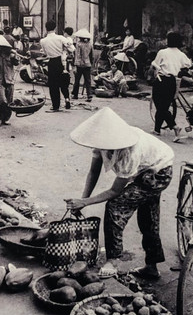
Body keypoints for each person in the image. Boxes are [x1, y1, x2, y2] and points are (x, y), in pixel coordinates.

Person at [65, 108, 174, 280]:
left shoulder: (129, 151)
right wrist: (83, 199)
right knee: (148, 217)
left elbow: (115, 191)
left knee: (116, 206)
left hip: (159, 173)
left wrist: (85, 203)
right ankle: (151, 267)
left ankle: (113, 259)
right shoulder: (102, 142)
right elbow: (94, 172)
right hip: (143, 168)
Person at [150, 31, 192, 142]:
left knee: (160, 106)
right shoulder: (181, 55)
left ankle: (175, 127)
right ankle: (157, 129)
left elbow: (155, 63)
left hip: (161, 80)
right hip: (173, 81)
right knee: (164, 106)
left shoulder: (163, 52)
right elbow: (188, 64)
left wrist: (156, 69)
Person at [40, 20, 75, 112]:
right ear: (55, 28)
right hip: (61, 62)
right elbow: (72, 49)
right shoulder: (61, 38)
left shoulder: (43, 41)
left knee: (53, 85)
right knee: (63, 82)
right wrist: (64, 49)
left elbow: (44, 53)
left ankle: (55, 105)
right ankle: (67, 99)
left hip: (51, 62)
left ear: (46, 28)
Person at [72, 28, 93, 102]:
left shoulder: (79, 44)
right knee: (88, 80)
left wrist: (75, 65)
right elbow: (91, 55)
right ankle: (89, 95)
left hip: (80, 64)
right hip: (87, 63)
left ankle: (75, 94)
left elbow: (77, 55)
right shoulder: (90, 44)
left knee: (77, 79)